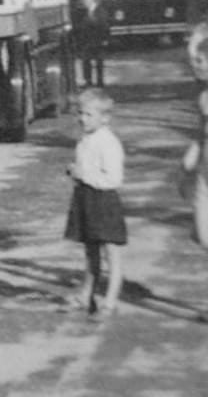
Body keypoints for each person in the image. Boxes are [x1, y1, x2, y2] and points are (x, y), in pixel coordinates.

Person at [62, 87, 127, 318]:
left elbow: (113, 179)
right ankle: (86, 295)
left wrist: (83, 175)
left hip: (104, 201)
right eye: (80, 113)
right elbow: (86, 169)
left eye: (88, 114)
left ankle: (109, 302)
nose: (82, 119)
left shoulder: (109, 142)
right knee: (90, 252)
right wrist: (75, 172)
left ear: (105, 117)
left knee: (111, 253)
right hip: (86, 199)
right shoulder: (85, 139)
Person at [181, 22, 208, 251]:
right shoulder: (202, 95)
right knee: (203, 236)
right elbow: (201, 130)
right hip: (205, 169)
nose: (194, 65)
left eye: (199, 60)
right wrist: (191, 157)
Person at [74, 0, 110, 87]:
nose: (85, 3)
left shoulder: (101, 11)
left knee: (99, 62)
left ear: (92, 0)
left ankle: (100, 81)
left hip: (98, 40)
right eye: (84, 2)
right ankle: (88, 81)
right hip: (87, 41)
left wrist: (105, 39)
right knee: (86, 62)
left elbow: (105, 26)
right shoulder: (83, 13)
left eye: (86, 1)